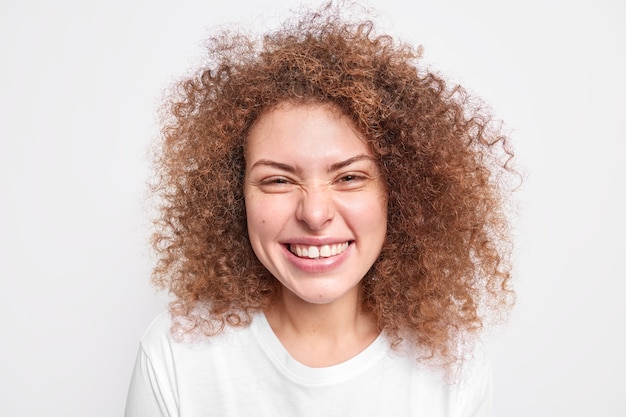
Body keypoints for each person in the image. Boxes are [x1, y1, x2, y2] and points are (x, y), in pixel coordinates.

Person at [124, 2, 516, 416]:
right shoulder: (177, 354)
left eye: (349, 177)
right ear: (232, 196)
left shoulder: (453, 364)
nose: (314, 214)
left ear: (398, 193)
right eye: (278, 180)